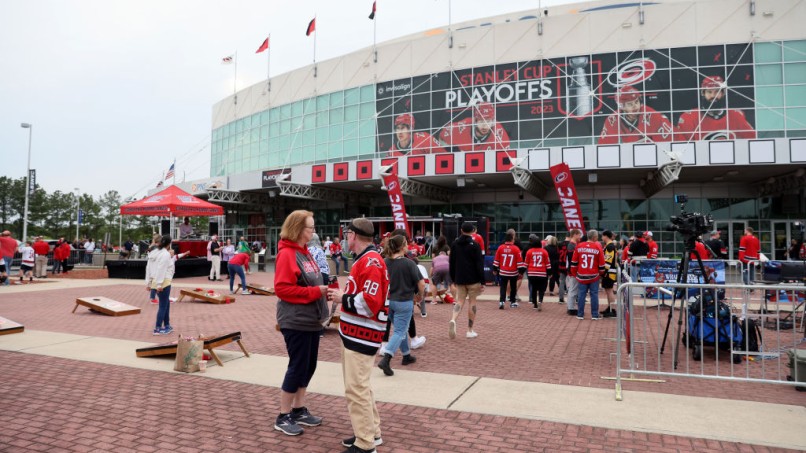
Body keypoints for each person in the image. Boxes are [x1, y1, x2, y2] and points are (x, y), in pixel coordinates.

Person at [327, 218, 388, 453]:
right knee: (361, 387)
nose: (345, 238)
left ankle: (365, 444)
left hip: (362, 335)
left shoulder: (370, 261)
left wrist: (343, 298)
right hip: (357, 333)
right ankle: (372, 433)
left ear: (353, 235)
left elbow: (371, 303)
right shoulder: (367, 259)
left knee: (356, 389)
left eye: (346, 234)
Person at [272, 210, 329, 437]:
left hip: (311, 319)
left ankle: (298, 409)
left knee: (308, 365)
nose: (313, 232)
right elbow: (282, 288)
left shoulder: (304, 253)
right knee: (297, 366)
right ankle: (283, 415)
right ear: (298, 229)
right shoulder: (287, 254)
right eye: (310, 228)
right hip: (296, 320)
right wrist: (315, 291)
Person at [376, 234, 424, 376]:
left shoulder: (385, 262)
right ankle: (387, 358)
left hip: (388, 301)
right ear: (402, 247)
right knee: (400, 331)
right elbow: (421, 283)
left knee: (400, 328)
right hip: (404, 301)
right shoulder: (409, 263)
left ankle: (406, 355)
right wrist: (420, 296)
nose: (408, 246)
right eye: (406, 243)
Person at [675, 75, 757, 141]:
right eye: (709, 92)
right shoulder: (689, 117)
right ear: (703, 93)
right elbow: (683, 148)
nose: (713, 96)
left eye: (717, 91)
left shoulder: (735, 115)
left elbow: (753, 140)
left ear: (723, 93)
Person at [598, 86, 672, 144]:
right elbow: (604, 146)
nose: (635, 106)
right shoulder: (613, 120)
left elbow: (670, 141)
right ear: (622, 106)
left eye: (636, 102)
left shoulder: (652, 116)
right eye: (630, 104)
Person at [448, 222, 485, 339]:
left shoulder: (454, 244)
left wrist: (453, 278)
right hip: (473, 278)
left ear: (461, 230)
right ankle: (469, 330)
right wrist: (482, 280)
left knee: (460, 301)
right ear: (473, 231)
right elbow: (479, 264)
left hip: (459, 277)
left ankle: (453, 319)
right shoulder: (475, 244)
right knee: (472, 302)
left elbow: (452, 263)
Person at [439, 102, 511, 152]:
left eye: (488, 121)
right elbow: (441, 138)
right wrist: (453, 152)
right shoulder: (461, 127)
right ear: (475, 120)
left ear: (493, 121)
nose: (485, 125)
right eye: (481, 121)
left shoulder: (500, 135)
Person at [571, 229, 606, 320]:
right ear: (594, 237)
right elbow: (602, 264)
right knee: (594, 295)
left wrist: (575, 274)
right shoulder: (598, 247)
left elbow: (574, 262)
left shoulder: (579, 246)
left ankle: (580, 314)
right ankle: (594, 315)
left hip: (581, 275)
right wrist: (601, 274)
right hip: (594, 275)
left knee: (581, 295)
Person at [146, 235, 175, 335]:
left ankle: (167, 325)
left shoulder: (154, 253)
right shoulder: (165, 254)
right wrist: (159, 284)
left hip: (157, 280)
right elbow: (161, 269)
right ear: (168, 244)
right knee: (163, 306)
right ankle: (157, 328)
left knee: (166, 304)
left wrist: (149, 282)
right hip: (163, 281)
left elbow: (149, 268)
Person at [493, 229, 525, 309]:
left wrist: (494, 270)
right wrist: (521, 271)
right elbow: (520, 262)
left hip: (503, 272)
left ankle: (502, 301)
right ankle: (512, 302)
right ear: (512, 240)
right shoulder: (516, 249)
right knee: (513, 287)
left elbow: (496, 260)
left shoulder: (500, 248)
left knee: (503, 287)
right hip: (513, 272)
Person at [524, 234, 550, 310]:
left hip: (532, 273)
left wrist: (522, 271)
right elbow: (547, 263)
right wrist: (550, 273)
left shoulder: (529, 251)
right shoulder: (544, 251)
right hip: (542, 273)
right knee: (542, 289)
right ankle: (540, 301)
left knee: (534, 288)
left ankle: (535, 304)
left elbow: (526, 263)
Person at [600, 230, 619, 318]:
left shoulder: (610, 246)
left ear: (605, 236)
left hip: (609, 272)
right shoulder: (609, 246)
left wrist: (603, 272)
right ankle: (610, 308)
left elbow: (608, 261)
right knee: (608, 291)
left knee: (610, 291)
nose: (601, 238)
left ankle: (613, 310)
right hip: (609, 272)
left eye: (602, 236)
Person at [564, 229, 583, 316]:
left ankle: (571, 307)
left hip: (572, 270)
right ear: (575, 235)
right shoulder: (572, 245)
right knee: (573, 289)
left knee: (573, 289)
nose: (580, 237)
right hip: (573, 270)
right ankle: (571, 308)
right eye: (579, 235)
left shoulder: (573, 245)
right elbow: (572, 260)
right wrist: (573, 271)